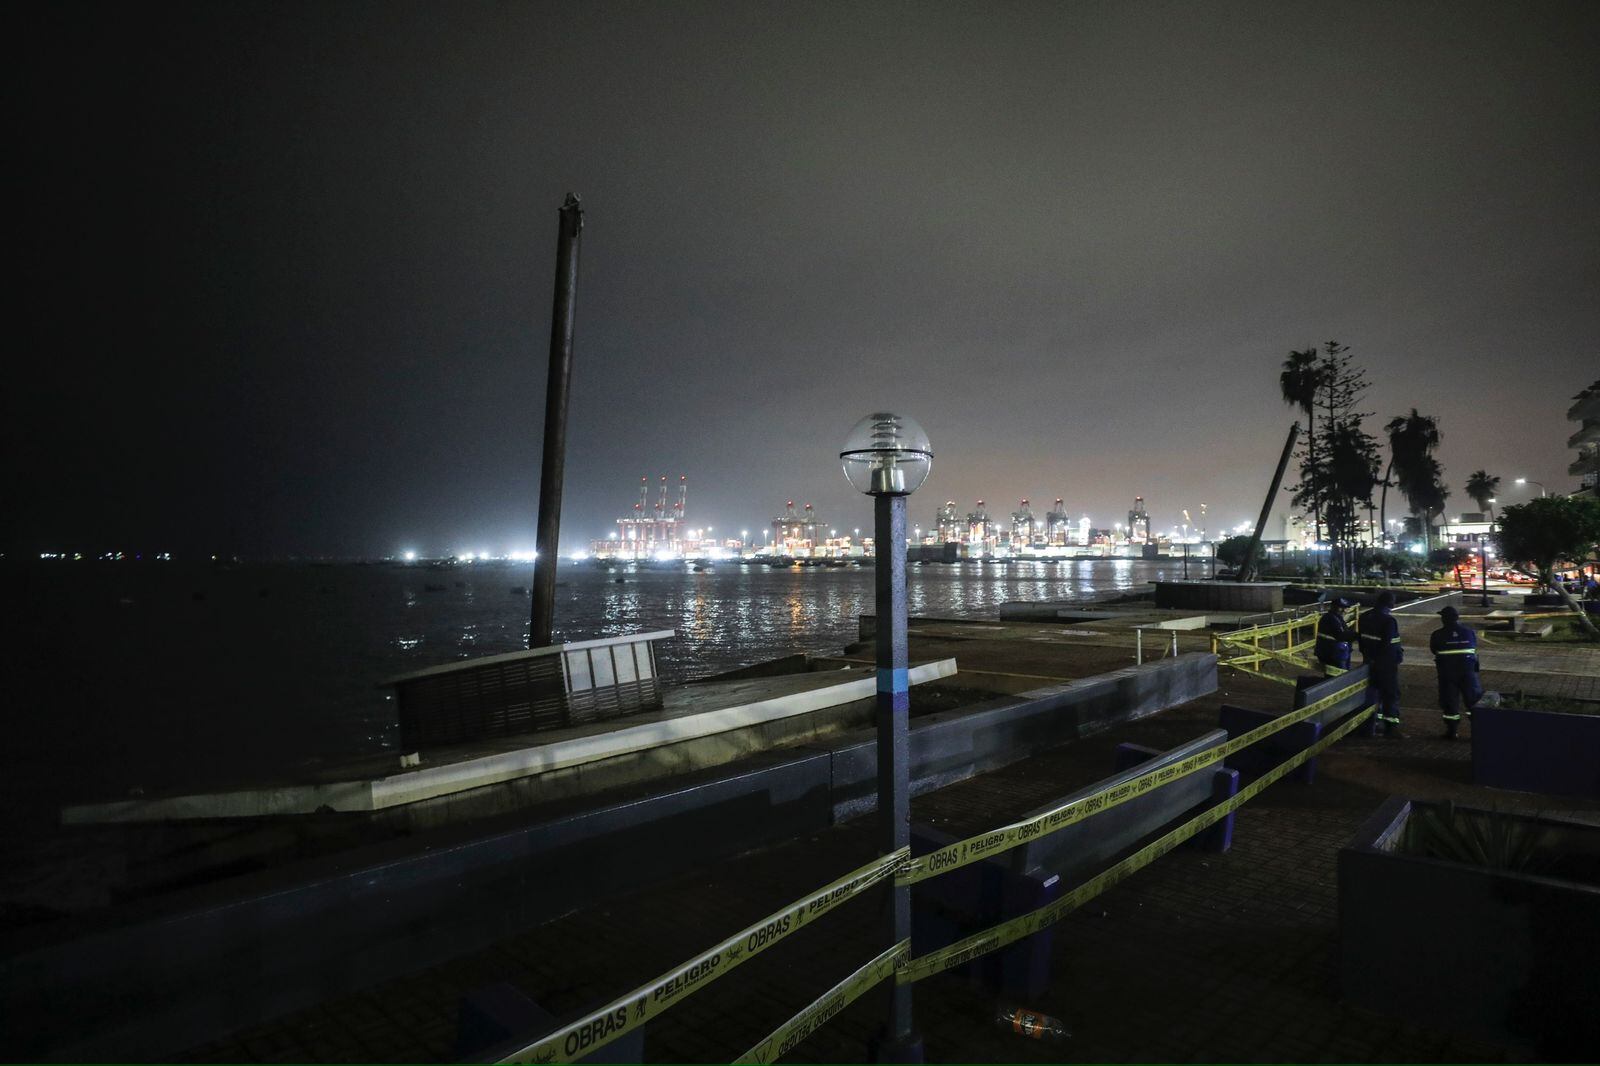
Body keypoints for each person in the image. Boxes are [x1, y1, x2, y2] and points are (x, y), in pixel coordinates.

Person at [1430, 605, 1482, 740]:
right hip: (1469, 672)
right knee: (1473, 702)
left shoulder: (1437, 634)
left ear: (1444, 619)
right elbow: (1474, 647)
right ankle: (1478, 732)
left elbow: (1434, 650)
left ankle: (1452, 731)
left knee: (1450, 701)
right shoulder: (1469, 632)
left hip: (1447, 673)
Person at [1357, 590, 1404, 737]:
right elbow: (1386, 643)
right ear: (1389, 603)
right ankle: (1391, 728)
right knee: (1390, 694)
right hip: (1386, 664)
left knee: (1372, 694)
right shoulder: (1389, 621)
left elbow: (1362, 639)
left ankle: (1371, 724)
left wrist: (1368, 657)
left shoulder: (1364, 617)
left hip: (1369, 662)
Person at [1315, 596, 1354, 673]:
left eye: (1345, 608)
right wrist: (1357, 636)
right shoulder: (1332, 618)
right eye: (1340, 608)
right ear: (1333, 607)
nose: (1343, 610)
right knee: (1340, 676)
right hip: (1333, 653)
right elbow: (1341, 635)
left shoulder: (1335, 617)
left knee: (1332, 676)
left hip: (1333, 651)